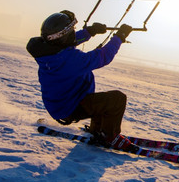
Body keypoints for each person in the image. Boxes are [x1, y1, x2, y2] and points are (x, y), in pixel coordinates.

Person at [26, 9, 135, 150]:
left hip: (61, 105)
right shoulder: (69, 59)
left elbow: (67, 42)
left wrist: (90, 31)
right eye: (72, 29)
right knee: (116, 100)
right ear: (64, 35)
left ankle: (97, 130)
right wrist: (119, 36)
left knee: (99, 101)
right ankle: (110, 137)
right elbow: (103, 56)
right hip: (70, 107)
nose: (73, 32)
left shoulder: (49, 52)